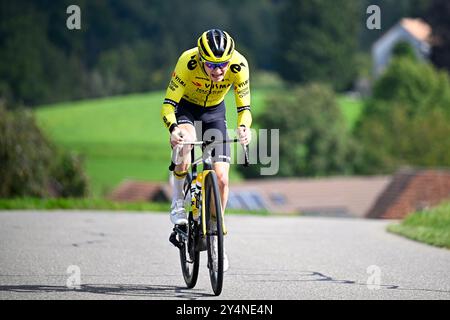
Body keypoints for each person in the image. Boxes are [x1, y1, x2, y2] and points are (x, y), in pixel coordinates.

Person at [160, 29, 252, 271]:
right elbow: (168, 107)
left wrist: (244, 127)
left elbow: (244, 109)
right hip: (186, 110)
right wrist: (173, 130)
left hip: (215, 114)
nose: (218, 71)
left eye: (222, 64)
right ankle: (178, 201)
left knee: (221, 178)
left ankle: (216, 236)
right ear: (201, 58)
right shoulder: (187, 62)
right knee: (186, 144)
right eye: (211, 65)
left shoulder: (239, 65)